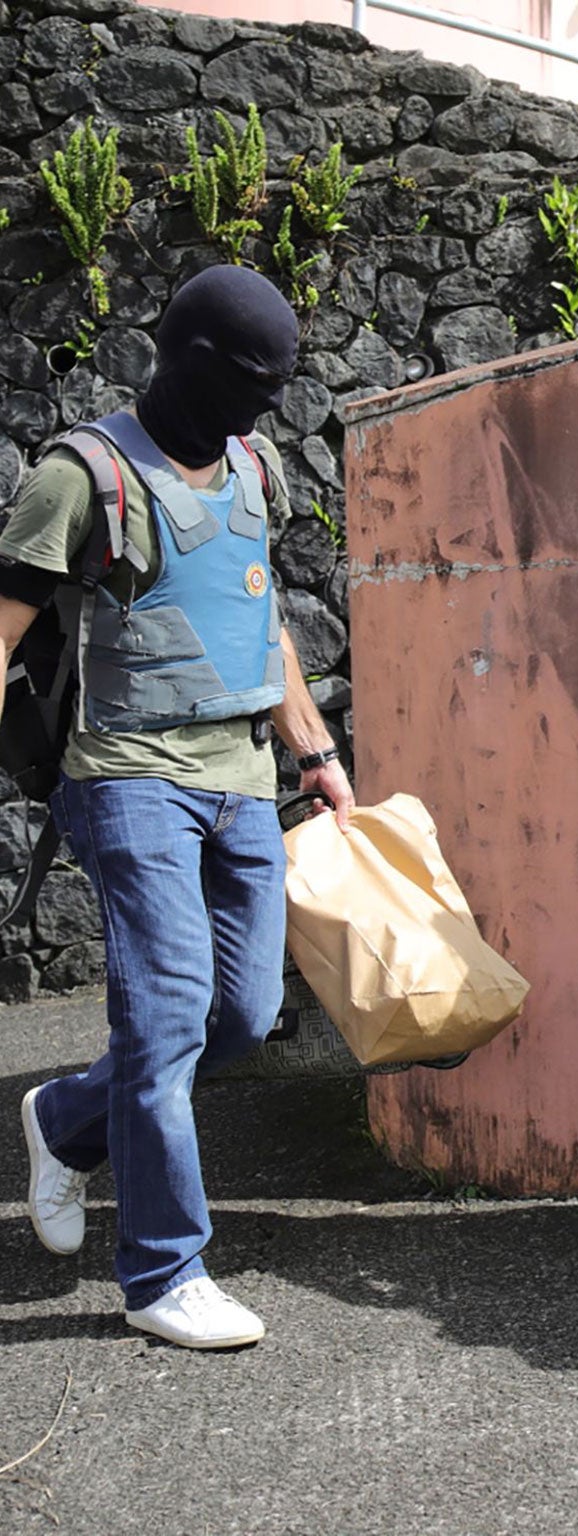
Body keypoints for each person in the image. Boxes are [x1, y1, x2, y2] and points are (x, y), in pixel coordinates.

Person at [8, 265, 356, 1350]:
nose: (268, 405)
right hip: (127, 775)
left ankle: (65, 1122)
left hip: (243, 775)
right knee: (161, 1019)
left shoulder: (256, 467)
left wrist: (316, 752)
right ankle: (163, 1271)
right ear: (195, 363)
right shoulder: (84, 476)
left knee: (239, 1017)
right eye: (255, 381)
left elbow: (261, 617)